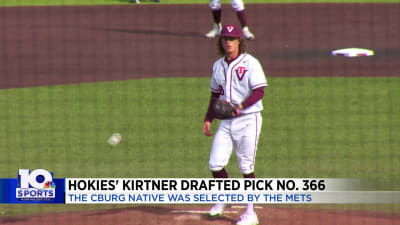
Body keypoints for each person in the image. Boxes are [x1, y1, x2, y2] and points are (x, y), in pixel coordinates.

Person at [203, 24, 267, 225]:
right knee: (215, 163)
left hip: (249, 120)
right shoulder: (217, 66)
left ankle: (251, 213)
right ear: (221, 42)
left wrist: (241, 106)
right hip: (226, 122)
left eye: (232, 39)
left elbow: (259, 91)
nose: (228, 42)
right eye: (225, 39)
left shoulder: (250, 63)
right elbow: (215, 95)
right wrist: (208, 118)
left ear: (240, 41)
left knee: (246, 167)